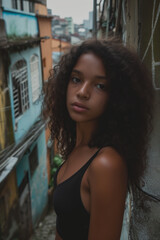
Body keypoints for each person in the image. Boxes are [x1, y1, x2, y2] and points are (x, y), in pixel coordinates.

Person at [43, 38, 154, 240]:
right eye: (76, 79)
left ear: (117, 98)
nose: (83, 92)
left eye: (100, 86)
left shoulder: (106, 164)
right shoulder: (76, 149)